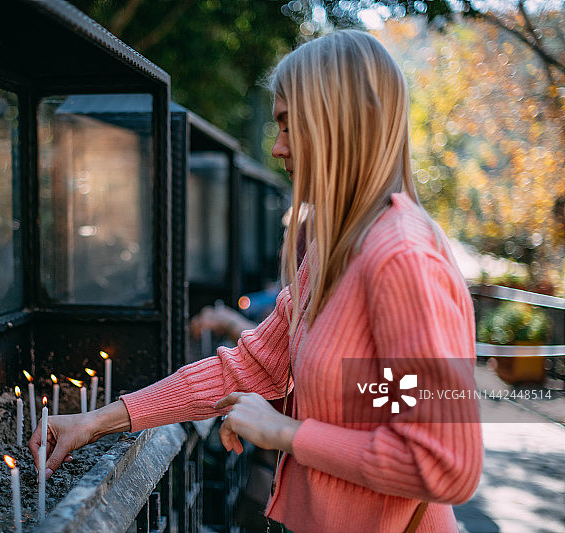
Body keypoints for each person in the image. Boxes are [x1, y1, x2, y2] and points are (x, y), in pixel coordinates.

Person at [29, 29, 482, 533]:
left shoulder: (401, 258)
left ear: (338, 125)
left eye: (289, 125)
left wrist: (287, 432)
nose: (279, 148)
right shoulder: (337, 253)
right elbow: (247, 367)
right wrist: (94, 422)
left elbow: (445, 463)